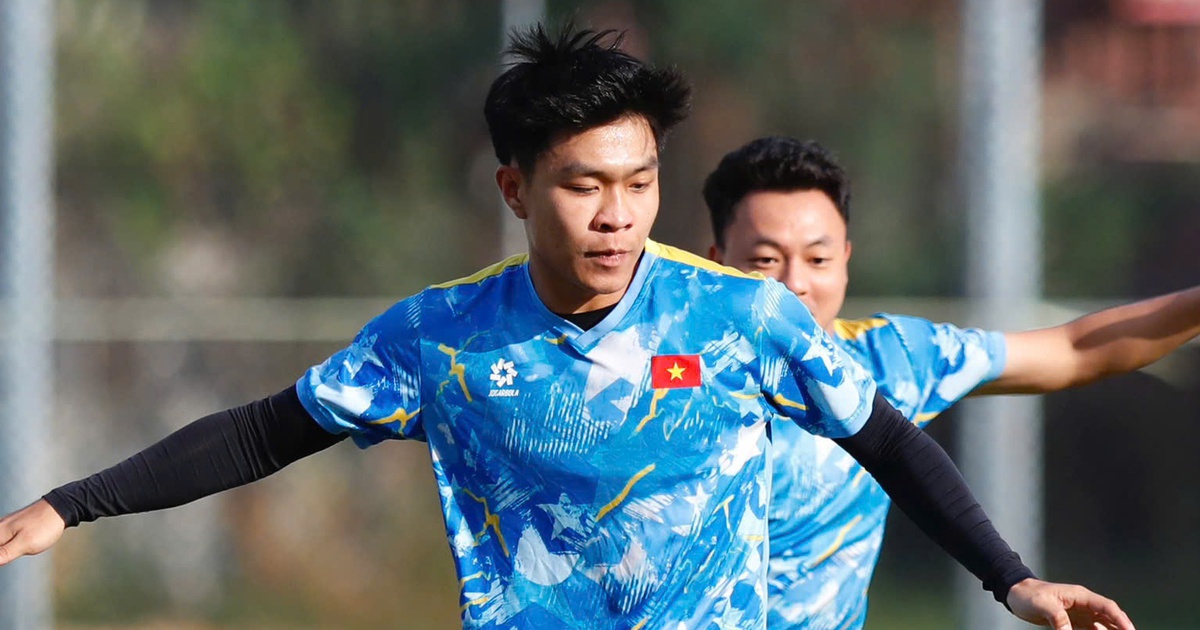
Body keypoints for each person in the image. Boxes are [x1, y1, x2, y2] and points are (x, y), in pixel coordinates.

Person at [0, 26, 1134, 630]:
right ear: (515, 190)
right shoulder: (441, 340)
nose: (618, 215)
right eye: (585, 185)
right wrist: (69, 505)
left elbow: (884, 437)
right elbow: (263, 432)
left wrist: (1015, 582)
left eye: (640, 183)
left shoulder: (740, 317)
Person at [704, 135, 1198, 629]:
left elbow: (1076, 349)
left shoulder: (893, 360)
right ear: (716, 262)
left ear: (846, 259)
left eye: (818, 259)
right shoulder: (675, 375)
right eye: (765, 260)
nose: (795, 284)